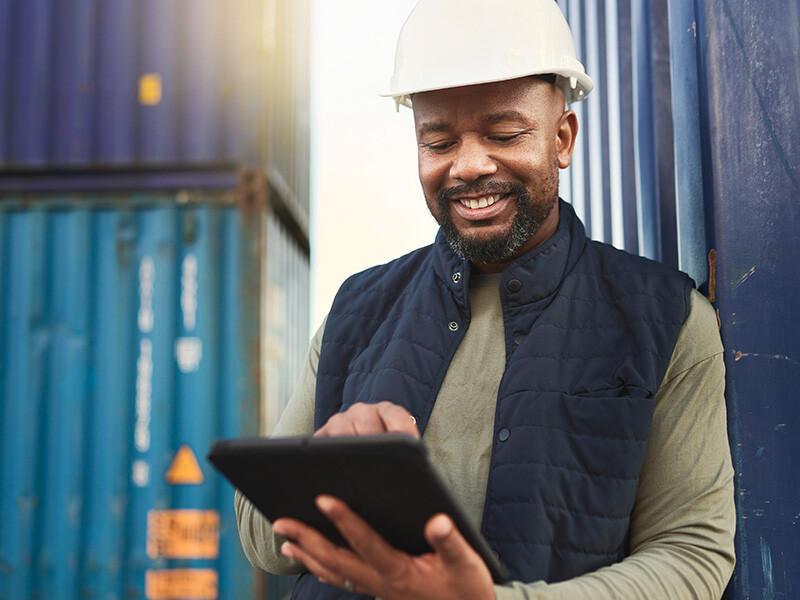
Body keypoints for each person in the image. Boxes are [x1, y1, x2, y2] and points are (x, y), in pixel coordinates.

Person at [235, 0, 736, 598]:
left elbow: (692, 555)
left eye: (504, 134)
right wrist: (330, 465)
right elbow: (261, 540)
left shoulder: (666, 321)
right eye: (439, 141)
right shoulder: (357, 309)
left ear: (562, 138)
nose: (468, 166)